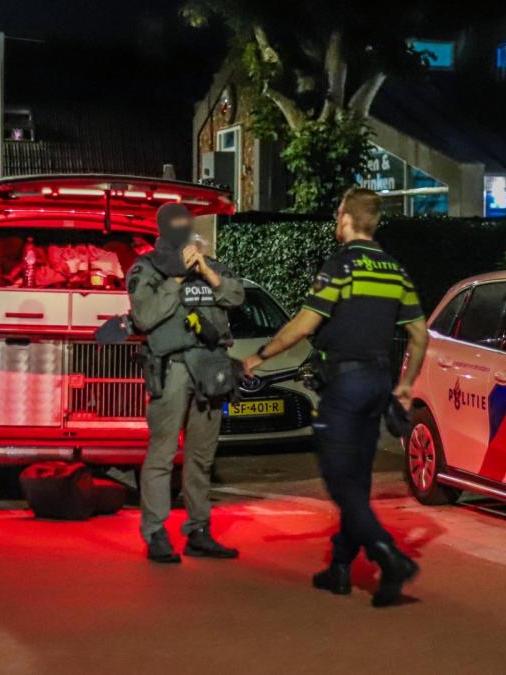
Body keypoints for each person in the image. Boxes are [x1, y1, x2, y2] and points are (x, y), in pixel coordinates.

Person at [242, 187, 429, 607]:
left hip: (344, 385)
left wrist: (260, 355)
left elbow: (305, 324)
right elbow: (419, 334)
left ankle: (388, 555)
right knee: (357, 481)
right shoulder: (394, 271)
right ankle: (341, 568)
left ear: (346, 217)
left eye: (337, 212)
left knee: (338, 479)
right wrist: (405, 383)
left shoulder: (341, 267)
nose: (335, 219)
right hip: (379, 384)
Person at [127, 203, 245, 563]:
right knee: (162, 456)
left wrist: (206, 271)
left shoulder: (209, 265)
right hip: (173, 368)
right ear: (163, 229)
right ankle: (155, 533)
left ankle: (199, 530)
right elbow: (144, 316)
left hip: (210, 373)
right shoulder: (146, 269)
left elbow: (236, 297)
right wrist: (176, 279)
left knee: (200, 457)